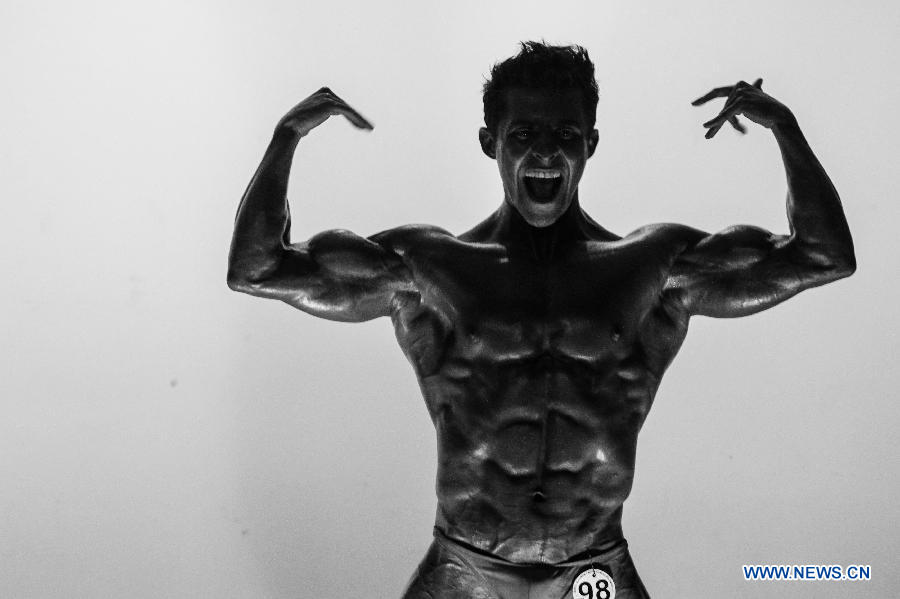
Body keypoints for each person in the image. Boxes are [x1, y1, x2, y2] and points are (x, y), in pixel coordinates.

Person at [227, 42, 855, 599]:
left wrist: (785, 127)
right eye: (524, 134)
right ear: (489, 143)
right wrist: (287, 135)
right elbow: (256, 269)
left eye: (565, 134)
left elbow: (823, 256)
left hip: (592, 571)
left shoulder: (653, 268)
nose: (547, 151)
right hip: (465, 570)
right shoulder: (429, 269)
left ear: (591, 143)